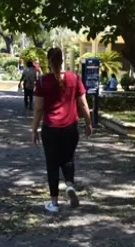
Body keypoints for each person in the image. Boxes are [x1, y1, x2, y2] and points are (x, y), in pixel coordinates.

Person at [32, 48, 93, 214]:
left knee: (52, 164)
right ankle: (70, 185)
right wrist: (88, 123)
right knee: (68, 159)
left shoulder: (43, 81)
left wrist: (34, 129)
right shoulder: (74, 78)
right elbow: (83, 104)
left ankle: (54, 203)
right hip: (70, 128)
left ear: (48, 61)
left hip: (50, 128)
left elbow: (38, 108)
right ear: (63, 59)